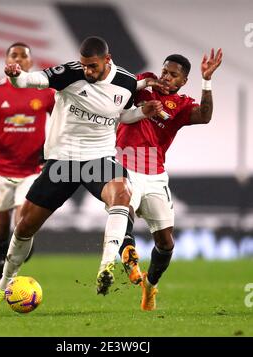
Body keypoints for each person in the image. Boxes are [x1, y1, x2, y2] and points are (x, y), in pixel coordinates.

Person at [0, 36, 163, 312]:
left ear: (107, 61)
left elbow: (121, 115)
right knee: (25, 226)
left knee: (121, 194)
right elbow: (33, 80)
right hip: (63, 161)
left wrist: (141, 112)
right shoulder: (70, 73)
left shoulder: (125, 82)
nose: (87, 71)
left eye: (93, 67)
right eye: (85, 65)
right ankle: (2, 286)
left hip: (98, 158)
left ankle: (106, 267)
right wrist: (17, 77)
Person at [116, 48, 223, 310]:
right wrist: (144, 82)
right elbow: (120, 87)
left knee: (166, 243)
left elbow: (205, 116)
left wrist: (207, 81)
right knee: (120, 213)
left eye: (173, 75)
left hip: (155, 175)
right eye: (165, 71)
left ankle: (150, 286)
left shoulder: (183, 105)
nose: (166, 77)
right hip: (123, 165)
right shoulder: (145, 83)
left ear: (183, 81)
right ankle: (130, 261)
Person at [0, 43, 55, 286]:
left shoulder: (44, 92)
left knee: (22, 225)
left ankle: (10, 277)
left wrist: (50, 149)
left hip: (30, 172)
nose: (18, 59)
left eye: (23, 56)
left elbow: (62, 122)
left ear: (30, 62)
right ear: (6, 61)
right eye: (13, 55)